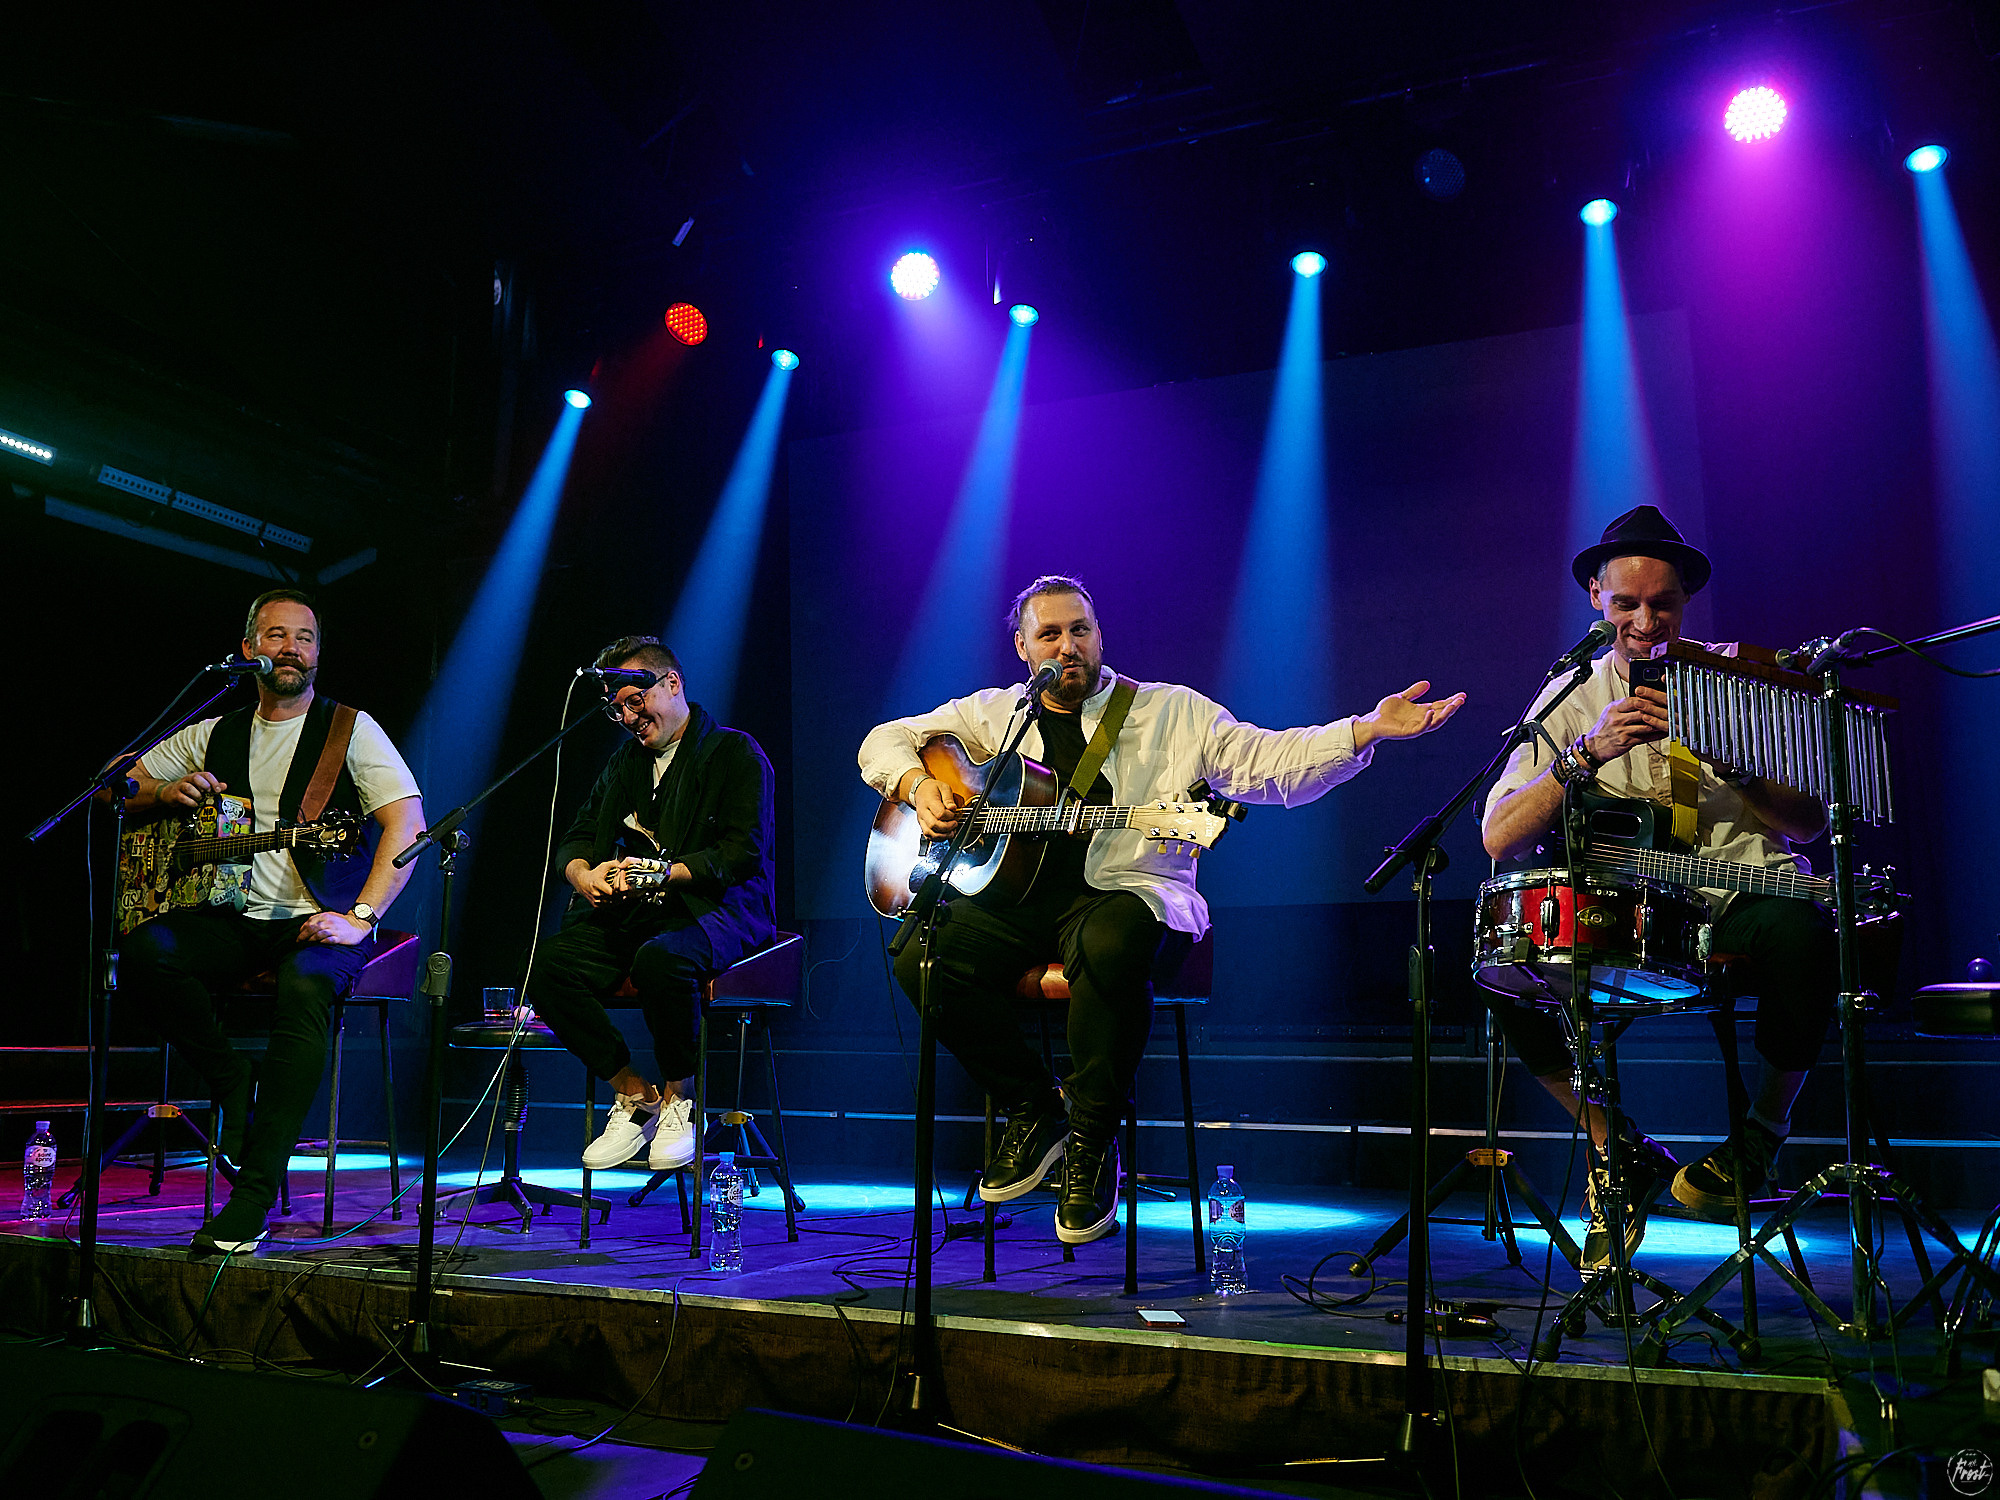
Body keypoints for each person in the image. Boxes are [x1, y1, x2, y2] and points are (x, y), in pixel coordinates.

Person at [859, 574, 1465, 1245]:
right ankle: (1034, 1109)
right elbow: (882, 741)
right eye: (1050, 635)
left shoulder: (1171, 712)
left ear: (1098, 635)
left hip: (1128, 891)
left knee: (1113, 940)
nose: (1068, 646)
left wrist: (1364, 729)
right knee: (921, 953)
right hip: (1015, 903)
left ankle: (1091, 1138)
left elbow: (1271, 763)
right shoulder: (992, 713)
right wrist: (918, 786)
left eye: (1080, 630)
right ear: (1024, 649)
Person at [1481, 505, 1835, 1266]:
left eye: (1664, 604)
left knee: (1803, 933)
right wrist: (1585, 752)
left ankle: (1760, 1140)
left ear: (1684, 602)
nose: (1647, 621)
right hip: (1634, 912)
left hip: (1739, 900)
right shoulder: (1566, 694)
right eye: (1627, 604)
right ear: (1595, 601)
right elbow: (1497, 834)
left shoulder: (1738, 680)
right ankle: (1617, 1145)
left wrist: (1733, 758)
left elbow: (1807, 826)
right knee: (1504, 965)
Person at [120, 589, 425, 1254]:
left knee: (307, 987)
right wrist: (166, 789)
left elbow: (408, 826)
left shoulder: (349, 729)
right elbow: (125, 786)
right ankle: (232, 1078)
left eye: (306, 638)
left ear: (317, 654)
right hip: (234, 917)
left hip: (318, 922)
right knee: (144, 955)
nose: (292, 648)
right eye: (277, 635)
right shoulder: (217, 729)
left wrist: (362, 917)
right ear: (250, 648)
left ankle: (253, 1197)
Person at [528, 636, 776, 1176]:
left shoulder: (735, 752)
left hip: (719, 911)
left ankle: (680, 1099)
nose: (625, 716)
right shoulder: (625, 765)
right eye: (616, 708)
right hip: (642, 915)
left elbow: (743, 851)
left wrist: (663, 871)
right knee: (547, 968)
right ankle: (636, 1095)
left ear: (671, 684)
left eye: (633, 701)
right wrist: (586, 874)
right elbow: (577, 836)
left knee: (661, 960)